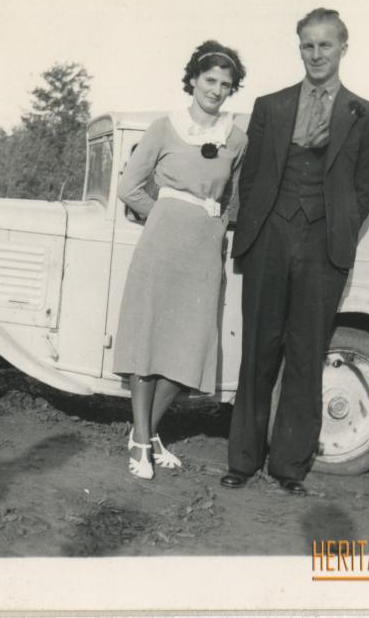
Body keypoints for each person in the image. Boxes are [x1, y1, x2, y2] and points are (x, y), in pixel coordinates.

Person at [221, 8, 369, 495]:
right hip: (270, 239)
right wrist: (257, 230)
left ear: (343, 48)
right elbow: (249, 180)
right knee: (257, 351)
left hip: (323, 249)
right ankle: (243, 461)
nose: (316, 54)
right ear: (300, 49)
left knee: (306, 355)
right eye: (308, 46)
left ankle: (289, 468)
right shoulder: (270, 106)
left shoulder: (364, 114)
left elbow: (365, 190)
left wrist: (336, 231)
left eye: (325, 45)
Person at [113, 40, 248, 480]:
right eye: (209, 80)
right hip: (162, 246)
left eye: (225, 84)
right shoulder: (164, 128)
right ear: (192, 80)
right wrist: (166, 216)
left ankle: (146, 432)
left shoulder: (237, 139)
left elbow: (234, 199)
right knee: (150, 340)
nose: (216, 90)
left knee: (188, 349)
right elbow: (129, 187)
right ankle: (139, 441)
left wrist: (212, 225)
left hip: (204, 252)